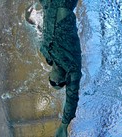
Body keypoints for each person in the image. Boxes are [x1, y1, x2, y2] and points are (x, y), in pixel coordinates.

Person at [39, 0, 82, 136]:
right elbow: (72, 96)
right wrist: (64, 124)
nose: (57, 81)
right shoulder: (72, 68)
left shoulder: (46, 53)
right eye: (60, 84)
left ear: (49, 75)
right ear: (65, 80)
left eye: (53, 83)